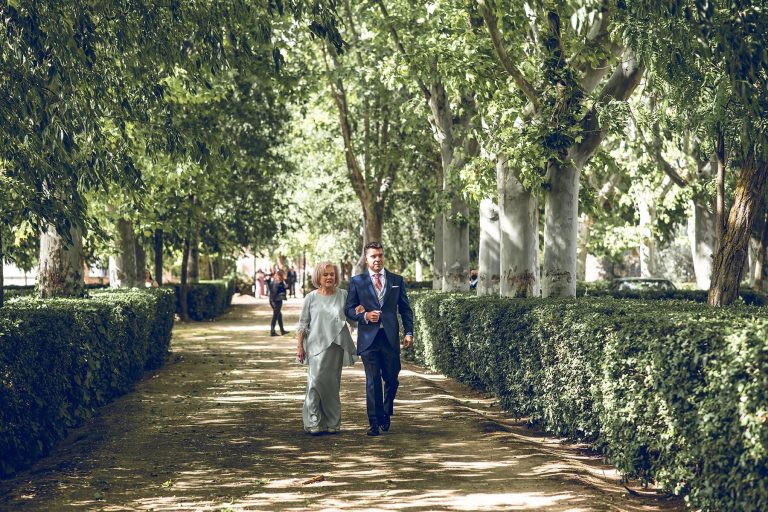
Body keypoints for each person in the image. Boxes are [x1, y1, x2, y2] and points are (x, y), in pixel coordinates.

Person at [345, 241, 414, 437]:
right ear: (366, 259)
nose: (377, 259)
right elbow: (349, 309)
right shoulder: (357, 282)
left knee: (392, 379)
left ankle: (386, 409)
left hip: (390, 338)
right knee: (372, 380)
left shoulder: (396, 280)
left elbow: (405, 309)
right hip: (368, 339)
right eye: (373, 256)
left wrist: (409, 332)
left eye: (380, 255)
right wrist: (365, 316)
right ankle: (374, 422)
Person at [296, 262, 359, 434]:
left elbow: (352, 319)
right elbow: (302, 324)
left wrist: (363, 314)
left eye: (332, 274)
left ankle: (332, 422)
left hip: (336, 347)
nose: (329, 277)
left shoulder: (343, 295)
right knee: (314, 383)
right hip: (315, 345)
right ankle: (313, 421)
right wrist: (299, 346)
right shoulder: (311, 298)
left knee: (331, 386)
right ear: (318, 277)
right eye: (325, 275)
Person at [268, 270, 289, 336]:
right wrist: (285, 286)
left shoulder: (272, 282)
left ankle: (282, 330)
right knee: (275, 316)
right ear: (281, 275)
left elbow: (272, 291)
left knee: (279, 315)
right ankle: (272, 331)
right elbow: (282, 290)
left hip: (272, 300)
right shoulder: (280, 283)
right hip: (277, 301)